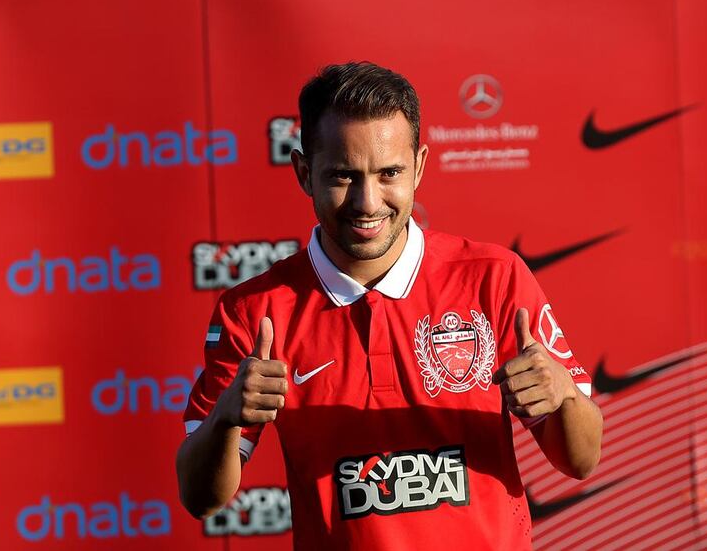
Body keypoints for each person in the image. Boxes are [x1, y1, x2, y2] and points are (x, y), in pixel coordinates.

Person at [176, 62, 603, 550]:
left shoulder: (494, 277)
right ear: (303, 172)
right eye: (342, 176)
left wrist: (564, 396)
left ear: (419, 166)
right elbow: (200, 497)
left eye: (389, 173)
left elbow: (581, 459)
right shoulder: (254, 310)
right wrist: (225, 418)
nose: (367, 201)